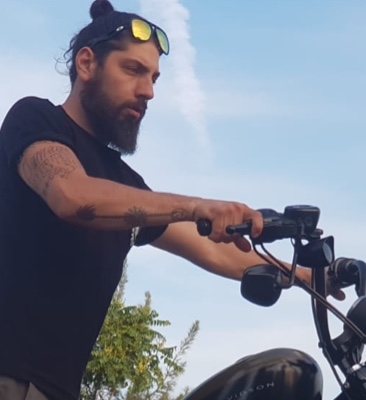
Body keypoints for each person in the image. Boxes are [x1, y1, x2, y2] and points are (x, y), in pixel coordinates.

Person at [0, 1, 342, 399]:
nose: (147, 91)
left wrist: (310, 276)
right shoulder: (35, 119)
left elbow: (212, 249)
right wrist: (197, 206)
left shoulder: (127, 185)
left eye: (154, 78)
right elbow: (71, 195)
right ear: (87, 64)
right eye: (132, 70)